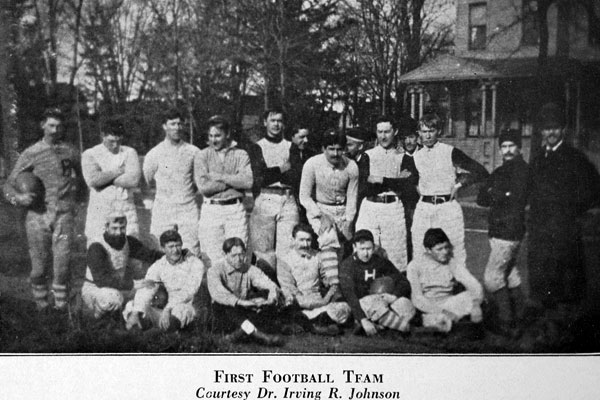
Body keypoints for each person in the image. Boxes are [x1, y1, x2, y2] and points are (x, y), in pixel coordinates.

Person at [4, 108, 85, 311]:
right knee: (39, 267)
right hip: (38, 216)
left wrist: (79, 201)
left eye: (59, 126)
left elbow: (83, 179)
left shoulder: (70, 150)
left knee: (62, 265)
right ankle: (41, 307)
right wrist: (18, 198)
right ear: (43, 126)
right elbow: (7, 184)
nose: (55, 130)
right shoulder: (31, 152)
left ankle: (60, 308)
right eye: (51, 125)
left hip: (64, 214)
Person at [527, 103, 600, 318]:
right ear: (541, 131)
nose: (551, 133)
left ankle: (567, 325)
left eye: (555, 128)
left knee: (566, 280)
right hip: (540, 229)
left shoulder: (574, 157)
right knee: (543, 279)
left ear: (563, 130)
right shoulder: (539, 158)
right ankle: (546, 324)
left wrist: (573, 207)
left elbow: (595, 188)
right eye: (547, 128)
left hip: (564, 229)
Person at [412, 112, 489, 271]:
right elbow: (409, 180)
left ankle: (458, 289)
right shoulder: (415, 157)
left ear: (438, 132)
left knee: (454, 250)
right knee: (421, 250)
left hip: (447, 206)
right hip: (424, 208)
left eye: (431, 131)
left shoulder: (450, 151)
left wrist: (459, 184)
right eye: (424, 131)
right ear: (419, 133)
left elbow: (480, 171)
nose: (427, 135)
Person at [476, 129, 528, 336]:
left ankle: (506, 321)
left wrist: (496, 194)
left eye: (511, 146)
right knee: (510, 274)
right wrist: (499, 194)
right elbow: (481, 198)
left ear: (519, 147)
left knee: (492, 277)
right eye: (504, 146)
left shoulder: (523, 170)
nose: (507, 150)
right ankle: (522, 316)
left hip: (509, 231)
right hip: (498, 230)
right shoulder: (501, 171)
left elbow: (514, 197)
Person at [355, 116, 417, 272]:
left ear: (395, 132)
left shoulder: (404, 157)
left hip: (393, 208)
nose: (383, 136)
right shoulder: (367, 156)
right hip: (370, 207)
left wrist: (380, 179)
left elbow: (408, 185)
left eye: (387, 132)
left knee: (395, 255)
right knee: (367, 251)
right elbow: (365, 185)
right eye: (380, 132)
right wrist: (395, 181)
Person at [299, 129, 358, 285]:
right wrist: (321, 215)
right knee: (328, 238)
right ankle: (333, 286)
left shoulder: (351, 166)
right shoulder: (312, 164)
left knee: (344, 247)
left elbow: (352, 198)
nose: (335, 153)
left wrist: (349, 220)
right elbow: (304, 196)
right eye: (331, 149)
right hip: (320, 209)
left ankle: (340, 283)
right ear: (323, 149)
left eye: (339, 149)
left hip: (343, 210)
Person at [82, 210, 163, 320]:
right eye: (114, 228)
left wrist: (174, 255)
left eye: (122, 228)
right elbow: (101, 279)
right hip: (96, 289)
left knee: (149, 292)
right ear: (106, 227)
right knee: (113, 298)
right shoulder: (97, 246)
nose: (119, 232)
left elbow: (150, 255)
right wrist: (132, 284)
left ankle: (127, 319)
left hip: (119, 287)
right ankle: (97, 320)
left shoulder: (127, 241)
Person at [195, 115, 253, 266]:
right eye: (211, 135)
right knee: (213, 258)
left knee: (238, 255)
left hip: (235, 210)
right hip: (211, 209)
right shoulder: (202, 155)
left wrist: (219, 177)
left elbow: (247, 181)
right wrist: (234, 180)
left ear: (227, 134)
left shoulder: (240, 154)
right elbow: (204, 188)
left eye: (218, 135)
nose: (213, 140)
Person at [143, 109, 201, 255]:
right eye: (172, 123)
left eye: (180, 124)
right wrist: (149, 201)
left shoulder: (193, 151)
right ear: (164, 126)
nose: (177, 127)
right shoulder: (155, 153)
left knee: (191, 250)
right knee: (159, 249)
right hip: (163, 207)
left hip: (187, 208)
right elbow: (145, 180)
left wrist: (187, 193)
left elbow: (198, 180)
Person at [207, 237, 285, 346]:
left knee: (264, 305)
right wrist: (241, 302)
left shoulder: (248, 268)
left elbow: (265, 281)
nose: (239, 259)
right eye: (234, 255)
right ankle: (260, 336)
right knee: (230, 307)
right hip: (223, 312)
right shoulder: (215, 270)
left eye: (241, 254)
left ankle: (237, 335)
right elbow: (218, 293)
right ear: (225, 255)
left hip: (242, 310)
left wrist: (272, 292)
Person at [124, 229, 206, 332]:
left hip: (189, 306)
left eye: (178, 245)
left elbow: (189, 291)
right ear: (163, 248)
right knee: (132, 306)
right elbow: (148, 287)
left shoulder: (195, 263)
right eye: (171, 247)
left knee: (181, 311)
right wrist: (136, 312)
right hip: (167, 310)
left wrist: (168, 308)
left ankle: (165, 332)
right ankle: (148, 331)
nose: (175, 250)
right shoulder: (159, 265)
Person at [277, 224, 351, 335]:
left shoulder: (318, 256)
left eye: (308, 240)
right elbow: (290, 289)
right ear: (293, 240)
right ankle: (318, 324)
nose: (305, 245)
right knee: (290, 305)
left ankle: (315, 323)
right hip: (299, 303)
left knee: (344, 307)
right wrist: (323, 301)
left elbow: (326, 279)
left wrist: (331, 285)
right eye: (301, 240)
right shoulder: (285, 260)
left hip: (319, 300)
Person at [407, 228, 484, 333]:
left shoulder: (451, 262)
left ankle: (461, 325)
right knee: (441, 322)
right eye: (439, 249)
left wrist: (475, 305)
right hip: (430, 308)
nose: (445, 252)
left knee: (476, 299)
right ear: (428, 250)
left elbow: (472, 283)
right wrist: (443, 311)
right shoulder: (414, 266)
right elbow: (417, 299)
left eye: (446, 247)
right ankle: (460, 327)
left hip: (450, 303)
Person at [339, 230, 414, 336]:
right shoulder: (348, 265)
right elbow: (349, 294)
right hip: (363, 305)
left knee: (405, 304)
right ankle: (400, 327)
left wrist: (394, 296)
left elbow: (402, 281)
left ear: (373, 247)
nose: (366, 253)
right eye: (362, 249)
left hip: (383, 301)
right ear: (354, 247)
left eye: (369, 249)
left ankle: (381, 324)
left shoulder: (379, 261)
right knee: (372, 303)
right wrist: (363, 319)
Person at [249, 108, 298, 260]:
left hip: (288, 198)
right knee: (264, 249)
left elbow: (295, 176)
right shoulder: (257, 146)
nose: (276, 124)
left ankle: (285, 284)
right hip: (267, 196)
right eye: (273, 120)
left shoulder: (291, 146)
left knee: (288, 249)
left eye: (280, 121)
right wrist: (282, 169)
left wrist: (270, 172)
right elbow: (259, 178)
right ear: (265, 122)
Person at [82, 116, 141, 243]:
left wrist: (104, 178)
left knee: (131, 249)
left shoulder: (130, 152)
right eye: (111, 141)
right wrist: (119, 171)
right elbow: (93, 180)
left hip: (125, 208)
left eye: (118, 141)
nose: (115, 145)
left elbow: (133, 180)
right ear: (102, 135)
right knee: (98, 250)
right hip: (99, 209)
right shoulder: (90, 154)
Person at [397, 116, 421, 261]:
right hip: (402, 205)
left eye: (411, 137)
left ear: (417, 137)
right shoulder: (398, 158)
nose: (408, 141)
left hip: (420, 205)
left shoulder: (424, 155)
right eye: (404, 138)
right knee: (404, 240)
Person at [286, 126, 317, 224]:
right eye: (302, 137)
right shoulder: (286, 154)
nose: (306, 140)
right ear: (292, 137)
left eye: (307, 137)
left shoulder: (312, 154)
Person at [344, 127, 371, 216]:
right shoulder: (346, 161)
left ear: (360, 146)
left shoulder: (366, 162)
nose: (346, 149)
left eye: (350, 145)